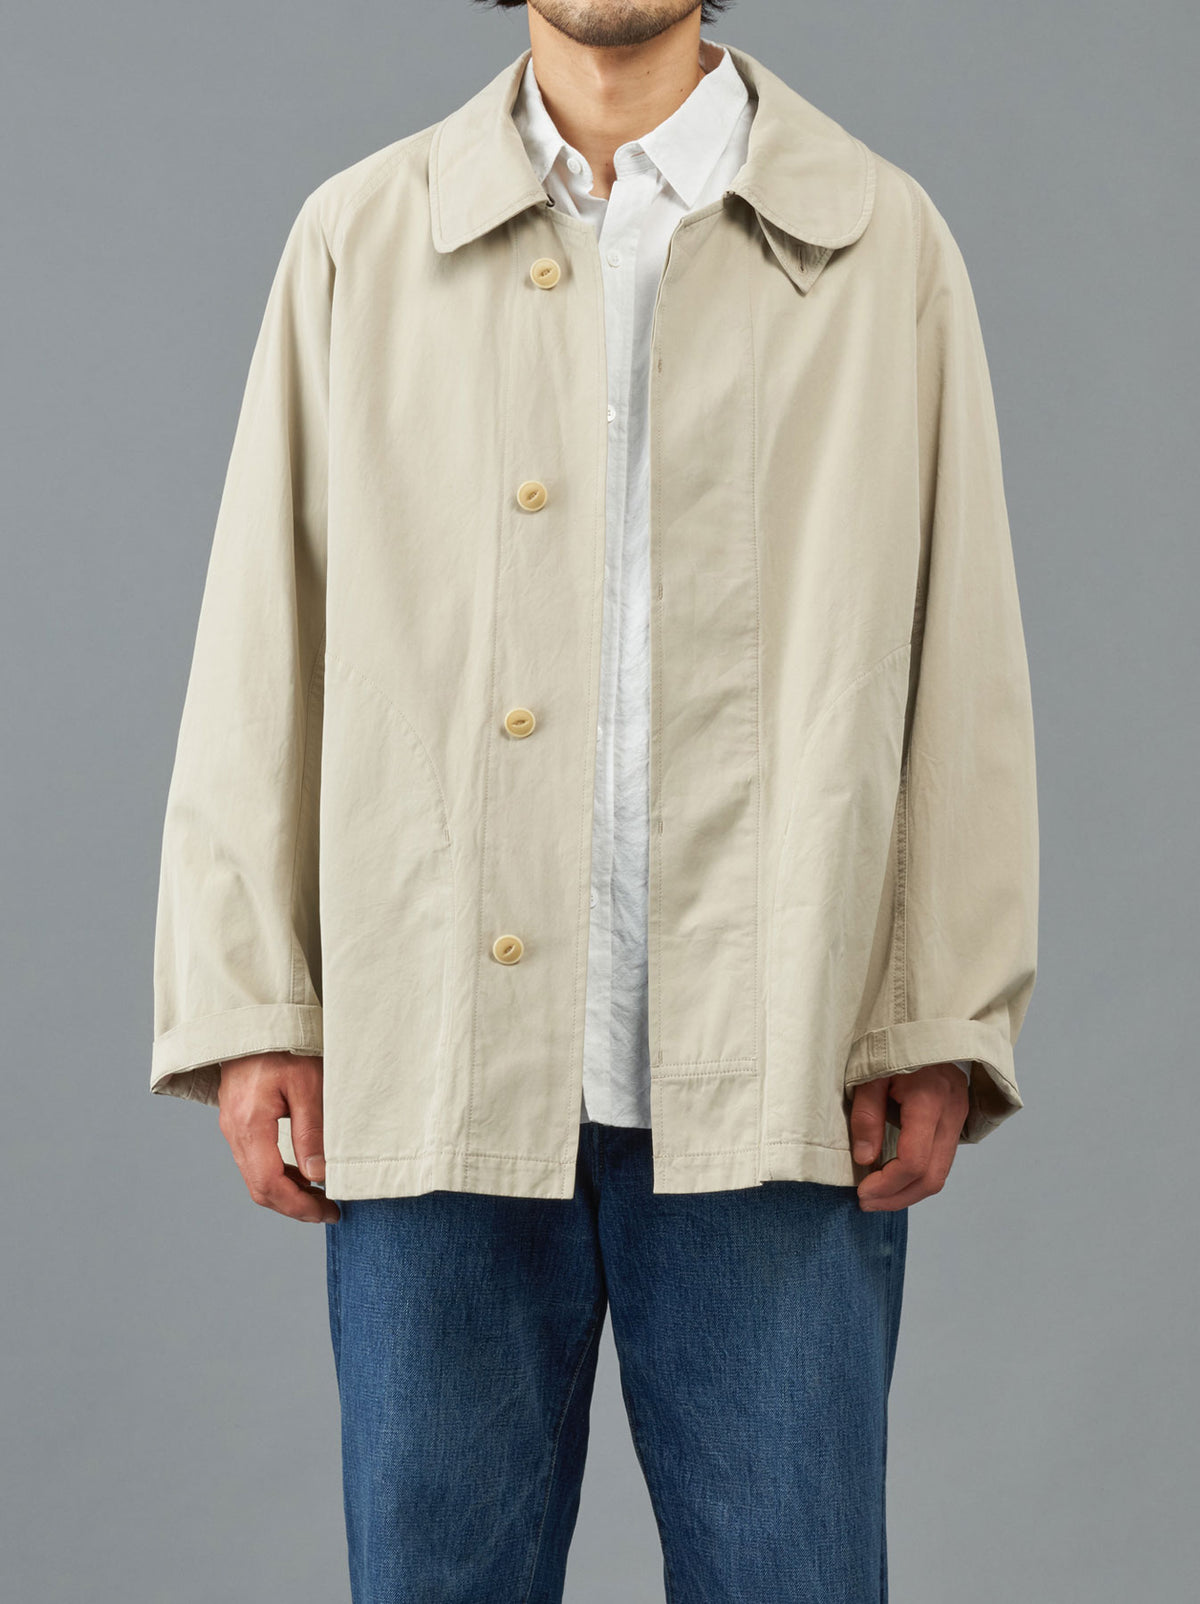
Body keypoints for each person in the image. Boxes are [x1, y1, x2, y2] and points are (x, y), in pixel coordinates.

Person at [150, 2, 1039, 1598]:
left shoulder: (876, 238)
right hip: (434, 1056)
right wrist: (253, 999)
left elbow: (962, 644)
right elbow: (259, 632)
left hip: (783, 1065)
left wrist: (940, 1008)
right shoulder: (365, 236)